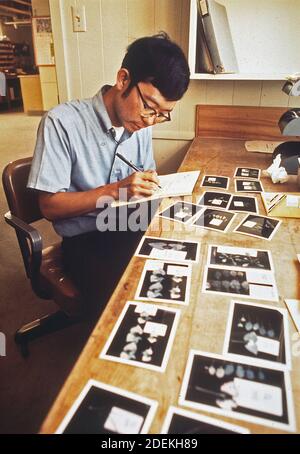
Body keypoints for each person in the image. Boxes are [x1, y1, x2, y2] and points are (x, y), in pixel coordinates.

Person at [27, 32, 190, 318]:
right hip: (87, 242)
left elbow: (143, 184)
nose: (150, 120)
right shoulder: (61, 122)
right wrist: (115, 190)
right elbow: (49, 206)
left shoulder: (141, 125)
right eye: (150, 107)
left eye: (162, 114)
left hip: (131, 226)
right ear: (123, 79)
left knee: (181, 271)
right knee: (131, 306)